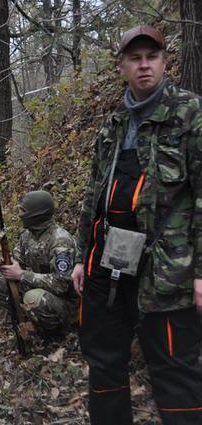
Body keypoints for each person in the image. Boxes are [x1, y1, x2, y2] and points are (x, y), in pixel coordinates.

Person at [71, 25, 202, 425]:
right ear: (122, 66)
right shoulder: (112, 125)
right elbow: (95, 194)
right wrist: (81, 258)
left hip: (166, 274)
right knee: (105, 364)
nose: (144, 65)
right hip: (108, 268)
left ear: (165, 62)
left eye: (152, 57)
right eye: (135, 58)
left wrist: (200, 272)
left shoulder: (190, 114)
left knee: (175, 371)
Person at [0, 190, 76, 338]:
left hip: (64, 303)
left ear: (36, 214)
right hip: (40, 289)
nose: (20, 215)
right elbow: (18, 259)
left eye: (23, 211)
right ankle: (29, 321)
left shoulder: (60, 241)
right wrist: (8, 264)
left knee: (32, 297)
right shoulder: (28, 235)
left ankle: (53, 334)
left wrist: (22, 275)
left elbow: (62, 284)